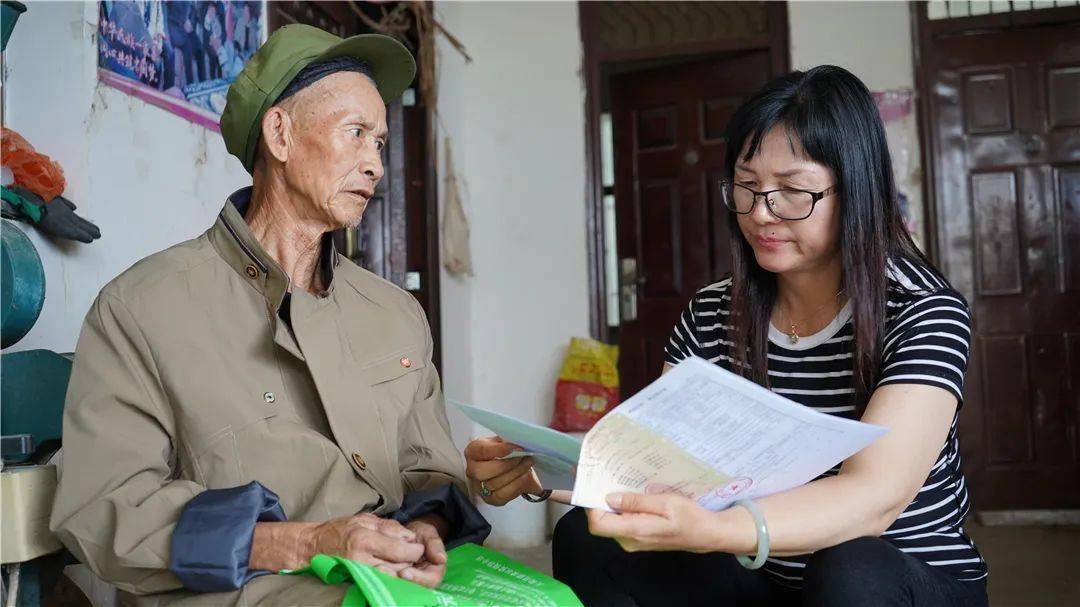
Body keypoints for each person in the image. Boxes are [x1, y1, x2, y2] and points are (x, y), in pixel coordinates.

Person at [464, 66, 989, 606]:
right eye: (747, 185)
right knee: (588, 537)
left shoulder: (923, 311)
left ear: (856, 190)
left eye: (793, 191)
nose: (761, 213)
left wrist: (718, 529)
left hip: (901, 579)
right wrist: (536, 470)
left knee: (851, 567)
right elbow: (661, 471)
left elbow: (874, 497)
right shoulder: (712, 312)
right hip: (767, 577)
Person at [51, 24, 486, 606]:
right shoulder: (140, 309)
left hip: (394, 587)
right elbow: (105, 510)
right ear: (280, 134)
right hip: (247, 591)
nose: (375, 165)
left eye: (380, 143)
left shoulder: (395, 312)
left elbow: (433, 474)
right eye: (356, 133)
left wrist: (423, 534)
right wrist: (309, 543)